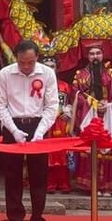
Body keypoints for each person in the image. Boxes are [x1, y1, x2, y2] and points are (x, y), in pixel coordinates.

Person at [0, 39, 58, 221]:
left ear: (37, 58)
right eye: (22, 62)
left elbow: (52, 105)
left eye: (30, 62)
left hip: (38, 124)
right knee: (12, 175)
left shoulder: (47, 74)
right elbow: (0, 105)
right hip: (12, 125)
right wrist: (13, 130)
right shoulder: (5, 73)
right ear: (16, 58)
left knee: (39, 175)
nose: (26, 66)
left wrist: (39, 132)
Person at [71, 42, 112, 195]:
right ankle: (91, 186)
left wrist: (110, 104)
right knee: (91, 149)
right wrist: (90, 104)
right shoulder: (80, 75)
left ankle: (107, 186)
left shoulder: (110, 74)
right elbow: (75, 95)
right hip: (89, 115)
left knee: (106, 150)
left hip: (107, 115)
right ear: (88, 56)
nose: (95, 57)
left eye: (98, 53)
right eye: (92, 54)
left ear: (102, 55)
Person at [39, 55, 72, 194]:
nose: (49, 69)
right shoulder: (38, 85)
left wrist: (68, 112)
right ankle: (49, 183)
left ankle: (63, 182)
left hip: (61, 123)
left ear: (57, 68)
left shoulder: (65, 86)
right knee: (46, 153)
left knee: (62, 152)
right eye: (46, 67)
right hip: (45, 122)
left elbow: (71, 103)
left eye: (52, 66)